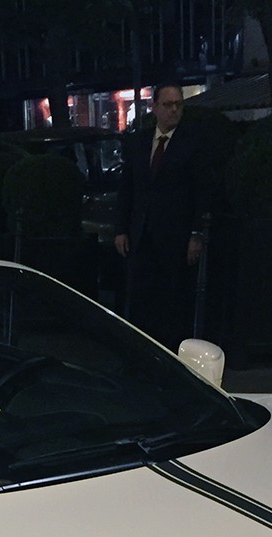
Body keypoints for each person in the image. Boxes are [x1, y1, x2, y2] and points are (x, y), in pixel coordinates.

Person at [114, 84, 212, 350]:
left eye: (178, 104)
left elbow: (201, 190)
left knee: (171, 299)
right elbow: (128, 188)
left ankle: (170, 353)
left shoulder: (192, 143)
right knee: (140, 298)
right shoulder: (139, 142)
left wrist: (196, 233)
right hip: (142, 233)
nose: (174, 110)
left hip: (174, 235)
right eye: (168, 105)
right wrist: (121, 228)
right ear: (154, 107)